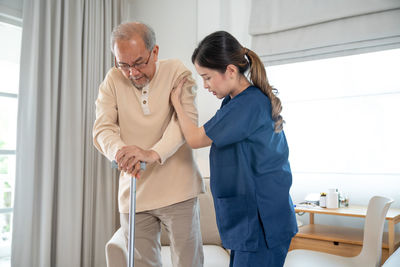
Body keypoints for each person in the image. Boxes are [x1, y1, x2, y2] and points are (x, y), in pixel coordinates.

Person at [170, 31, 298, 267]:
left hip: (261, 225)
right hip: (249, 224)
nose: (205, 85)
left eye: (207, 77)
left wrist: (177, 102)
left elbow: (196, 138)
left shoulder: (248, 104)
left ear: (230, 70)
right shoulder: (235, 102)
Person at [93, 22, 204, 267]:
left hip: (178, 189)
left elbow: (185, 122)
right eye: (123, 64)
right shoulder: (112, 80)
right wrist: (121, 152)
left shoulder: (176, 71)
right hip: (134, 192)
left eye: (139, 63)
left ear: (154, 52)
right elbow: (103, 127)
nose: (132, 73)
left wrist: (152, 153)